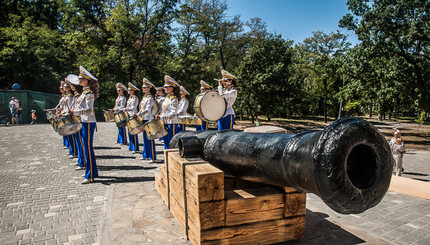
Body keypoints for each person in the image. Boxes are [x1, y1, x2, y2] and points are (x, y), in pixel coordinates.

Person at [70, 66, 99, 184]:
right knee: (85, 148)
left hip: (88, 123)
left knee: (87, 148)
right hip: (84, 122)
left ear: (86, 80)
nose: (79, 81)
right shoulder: (84, 92)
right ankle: (90, 171)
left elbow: (88, 110)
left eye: (81, 79)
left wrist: (75, 112)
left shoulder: (89, 94)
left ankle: (90, 174)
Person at [156, 75, 180, 149]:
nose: (164, 89)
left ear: (171, 88)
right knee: (166, 142)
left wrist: (161, 116)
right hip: (165, 122)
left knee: (171, 142)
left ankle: (171, 159)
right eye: (164, 87)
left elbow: (172, 113)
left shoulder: (174, 99)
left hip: (172, 123)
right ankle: (166, 159)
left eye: (166, 87)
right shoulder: (167, 98)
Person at [68, 74, 86, 171]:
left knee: (81, 142)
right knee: (78, 141)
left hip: (79, 119)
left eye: (71, 85)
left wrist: (73, 112)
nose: (70, 87)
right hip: (76, 118)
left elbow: (84, 109)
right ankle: (80, 160)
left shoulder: (80, 95)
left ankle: (82, 161)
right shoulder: (77, 95)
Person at [138, 78, 158, 162]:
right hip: (144, 118)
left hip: (149, 119)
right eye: (143, 88)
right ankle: (145, 154)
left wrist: (139, 114)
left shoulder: (150, 98)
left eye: (145, 88)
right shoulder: (145, 97)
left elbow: (147, 109)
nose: (143, 89)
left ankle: (152, 156)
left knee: (150, 138)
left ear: (149, 88)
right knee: (145, 137)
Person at [61, 79, 78, 159]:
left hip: (71, 116)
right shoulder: (68, 96)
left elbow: (70, 107)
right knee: (69, 135)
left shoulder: (71, 96)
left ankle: (74, 151)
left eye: (66, 87)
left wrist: (65, 113)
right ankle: (72, 150)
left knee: (72, 136)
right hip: (67, 115)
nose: (64, 88)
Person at [124, 82, 140, 154]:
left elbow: (133, 107)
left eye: (130, 90)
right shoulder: (130, 98)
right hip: (128, 115)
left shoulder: (135, 98)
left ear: (133, 90)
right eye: (128, 90)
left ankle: (135, 147)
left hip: (133, 115)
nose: (128, 91)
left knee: (134, 132)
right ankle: (131, 146)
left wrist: (125, 109)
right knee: (129, 131)